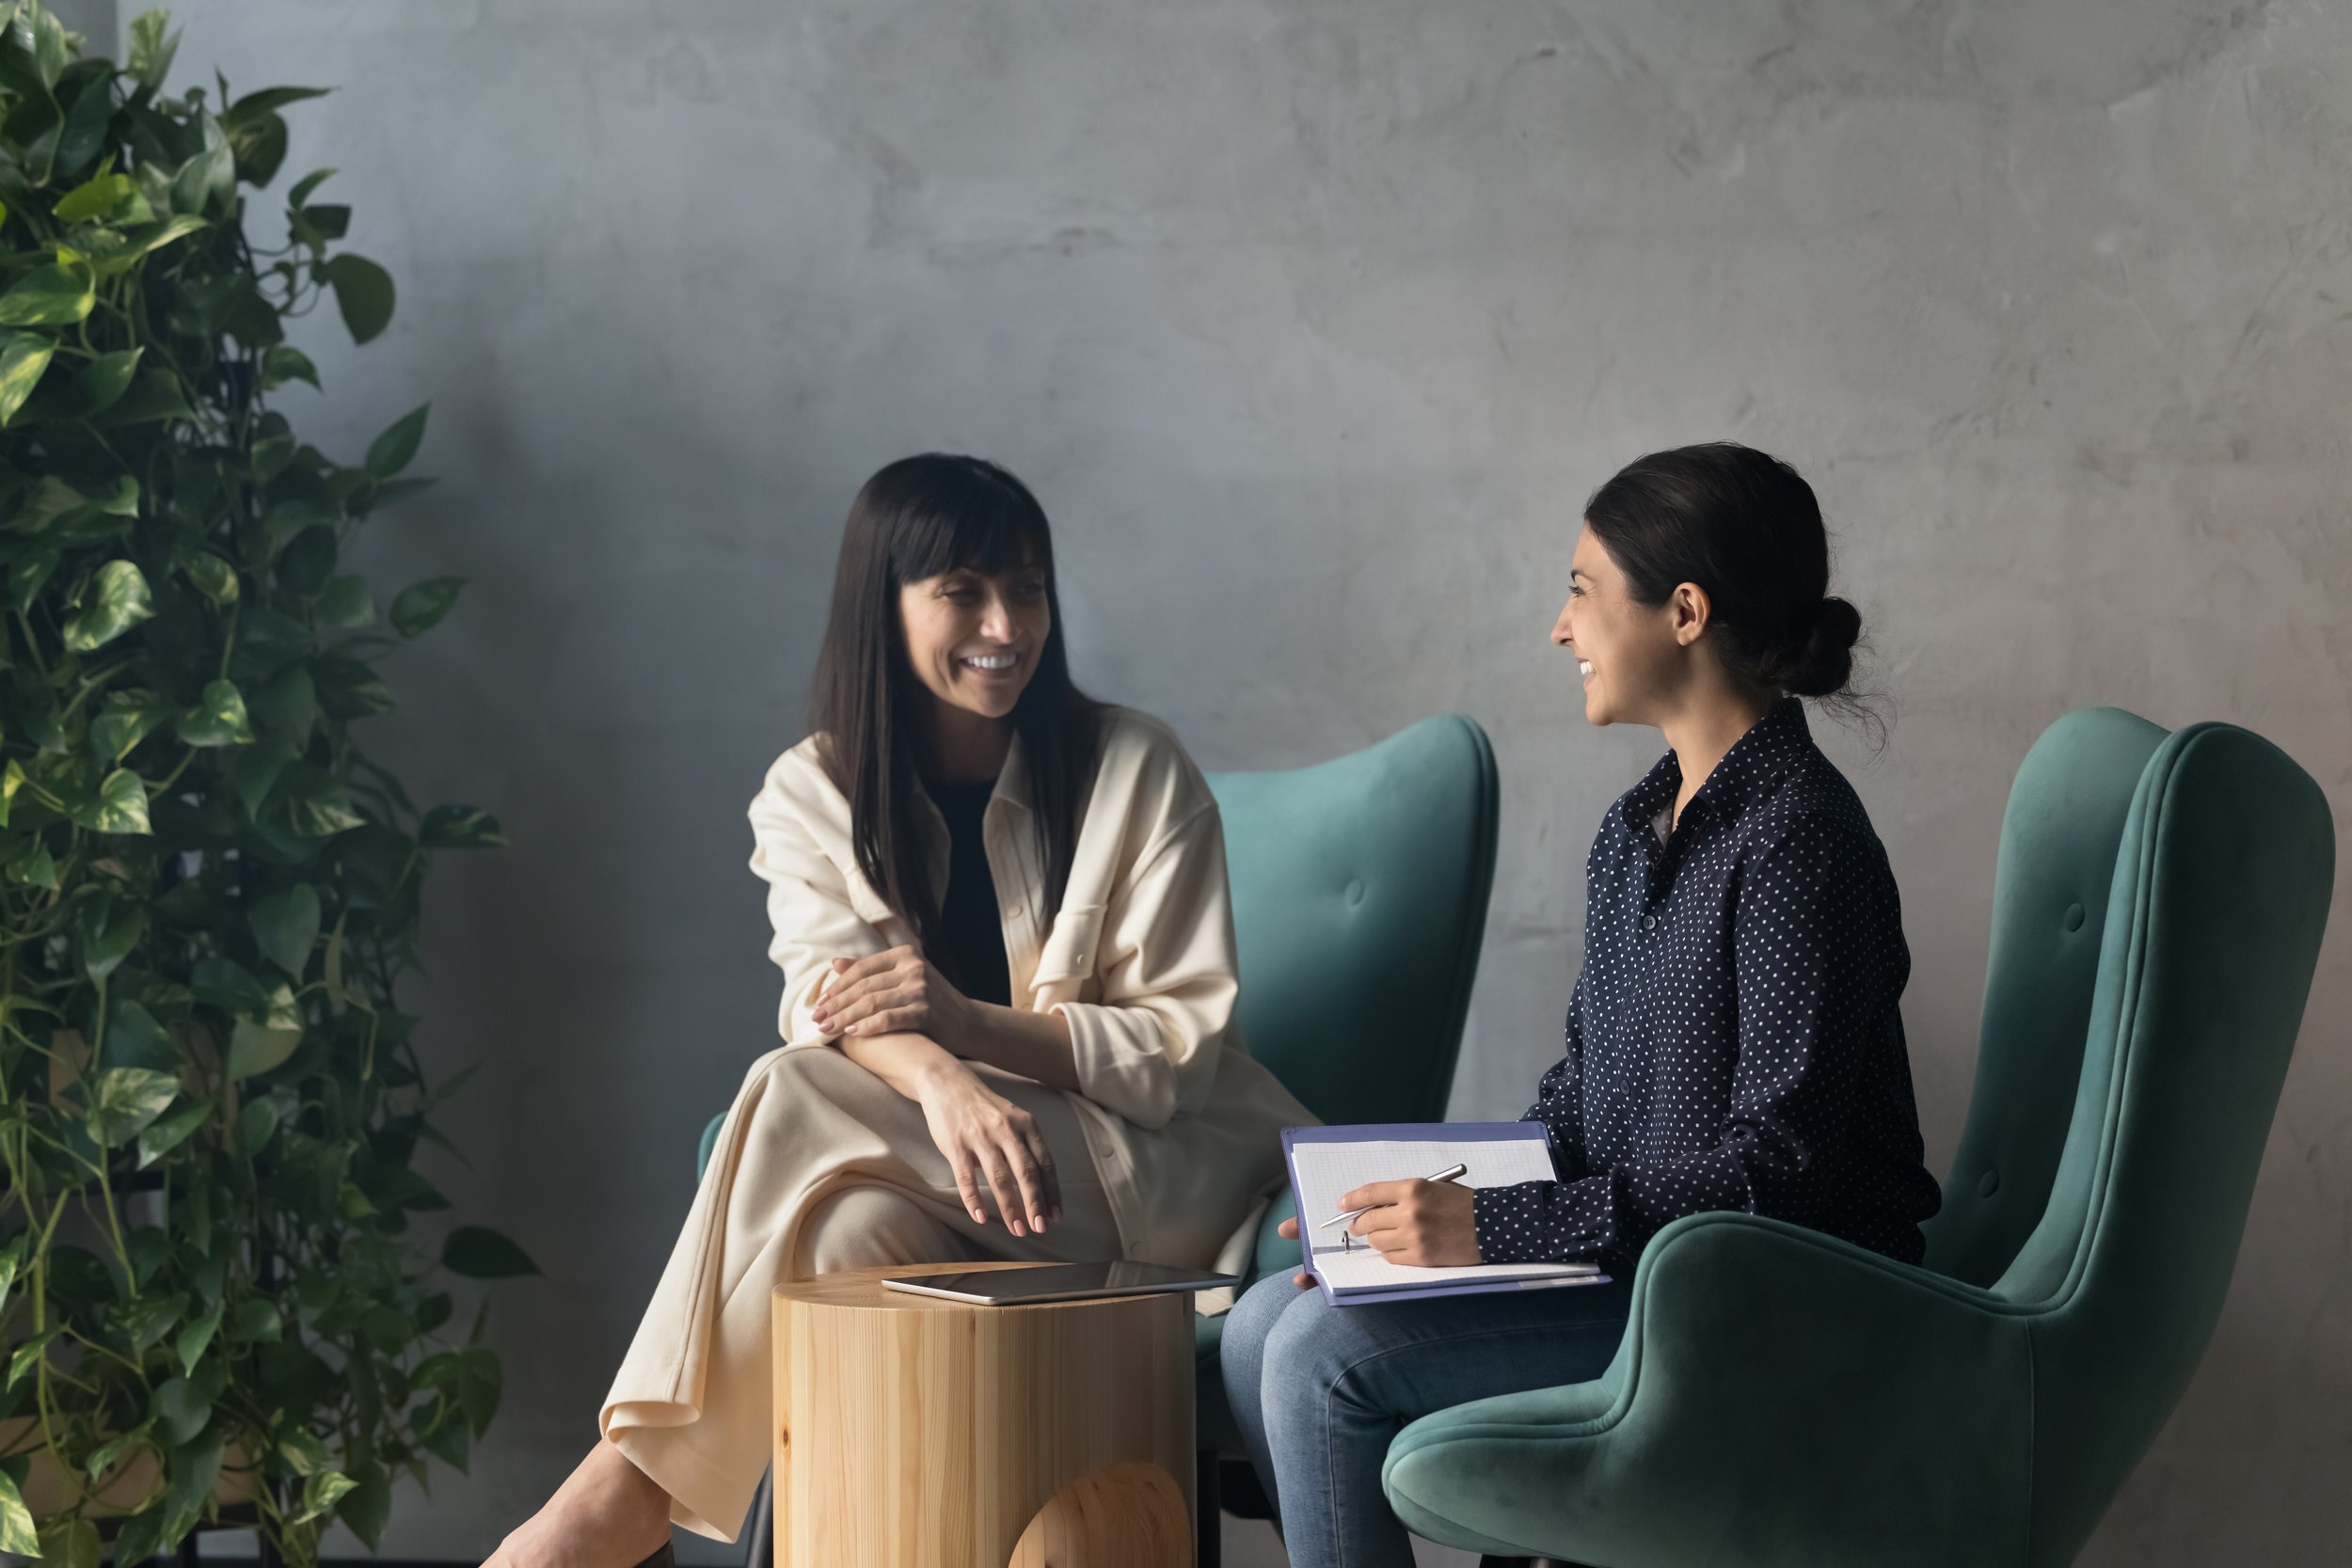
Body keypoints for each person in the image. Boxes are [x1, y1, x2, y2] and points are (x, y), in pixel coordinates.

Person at [487, 453, 1312, 1568]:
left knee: (788, 1088)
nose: (1004, 623)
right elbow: (826, 1001)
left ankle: (623, 1493)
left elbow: (1172, 1054)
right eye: (961, 590)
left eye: (1026, 587)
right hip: (965, 1181)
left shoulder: (1134, 766)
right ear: (884, 603)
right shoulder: (812, 791)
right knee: (836, 1236)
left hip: (1154, 1179)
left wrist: (965, 1026)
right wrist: (944, 1081)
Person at [1218, 442, 1945, 1568]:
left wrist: (1494, 1229)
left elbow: (1777, 1173)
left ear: (1685, 610)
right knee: (1266, 1319)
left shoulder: (1800, 840)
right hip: (1639, 1270)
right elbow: (1579, 1105)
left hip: (1762, 1300)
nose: (1561, 629)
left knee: (1317, 1356)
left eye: (1580, 591)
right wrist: (1392, 1234)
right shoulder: (1631, 834)